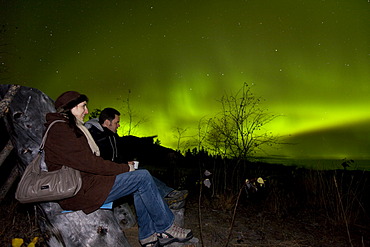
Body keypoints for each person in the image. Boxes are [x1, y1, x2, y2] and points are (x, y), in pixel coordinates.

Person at [44, 91, 193, 247]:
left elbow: (88, 162)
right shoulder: (60, 130)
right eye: (83, 106)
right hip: (79, 191)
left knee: (139, 179)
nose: (87, 111)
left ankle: (148, 236)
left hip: (87, 185)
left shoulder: (68, 128)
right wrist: (123, 169)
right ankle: (165, 227)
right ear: (70, 108)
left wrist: (124, 167)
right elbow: (89, 163)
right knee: (142, 177)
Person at [85, 108, 188, 209]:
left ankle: (167, 196)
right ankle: (167, 197)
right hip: (102, 180)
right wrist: (123, 167)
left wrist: (126, 163)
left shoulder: (111, 136)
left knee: (141, 175)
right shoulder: (95, 137)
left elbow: (116, 155)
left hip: (113, 172)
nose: (119, 125)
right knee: (142, 175)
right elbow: (101, 163)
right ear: (108, 122)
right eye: (117, 122)